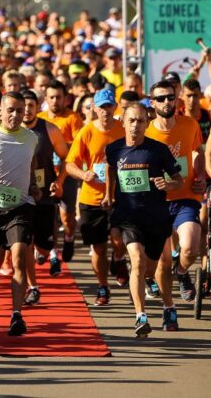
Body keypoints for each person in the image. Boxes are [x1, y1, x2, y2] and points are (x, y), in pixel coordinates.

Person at [101, 103, 183, 337]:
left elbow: (178, 180)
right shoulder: (114, 149)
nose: (136, 125)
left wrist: (168, 184)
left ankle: (169, 306)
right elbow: (110, 170)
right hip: (128, 217)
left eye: (140, 121)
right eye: (132, 120)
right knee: (136, 261)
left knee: (155, 269)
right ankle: (140, 315)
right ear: (123, 122)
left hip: (155, 217)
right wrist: (109, 194)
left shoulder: (159, 150)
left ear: (147, 124)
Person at [145, 80, 205, 330]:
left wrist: (200, 176)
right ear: (152, 103)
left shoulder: (190, 124)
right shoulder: (146, 131)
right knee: (163, 262)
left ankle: (182, 273)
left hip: (185, 197)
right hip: (157, 203)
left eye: (170, 97)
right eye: (160, 99)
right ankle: (169, 308)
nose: (166, 102)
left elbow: (197, 152)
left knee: (190, 248)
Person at [0, 92, 40, 336]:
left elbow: (33, 163)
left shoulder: (31, 137)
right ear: (0, 111)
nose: (16, 115)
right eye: (11, 110)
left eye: (20, 110)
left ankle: (17, 315)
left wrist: (35, 186)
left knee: (18, 257)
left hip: (21, 205)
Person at [66, 88, 127, 306]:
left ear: (115, 107)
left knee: (120, 240)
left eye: (109, 106)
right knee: (99, 247)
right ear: (94, 109)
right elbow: (70, 163)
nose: (106, 111)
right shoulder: (86, 132)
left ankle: (119, 258)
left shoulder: (124, 129)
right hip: (92, 198)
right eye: (101, 107)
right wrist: (84, 174)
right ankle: (103, 286)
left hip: (121, 196)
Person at [21, 89, 68, 302]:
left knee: (43, 245)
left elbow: (68, 159)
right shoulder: (8, 131)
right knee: (25, 244)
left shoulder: (49, 129)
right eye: (24, 106)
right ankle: (33, 287)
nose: (27, 110)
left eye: (31, 106)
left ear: (38, 107)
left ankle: (46, 251)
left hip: (45, 196)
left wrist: (58, 181)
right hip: (21, 195)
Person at [38, 81, 83, 262]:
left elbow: (78, 146)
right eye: (52, 97)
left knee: (67, 217)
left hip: (68, 174)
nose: (55, 101)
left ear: (65, 99)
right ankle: (50, 248)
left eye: (59, 97)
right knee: (49, 215)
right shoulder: (40, 118)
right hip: (46, 173)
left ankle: (69, 237)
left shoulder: (73, 118)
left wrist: (60, 146)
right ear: (46, 99)